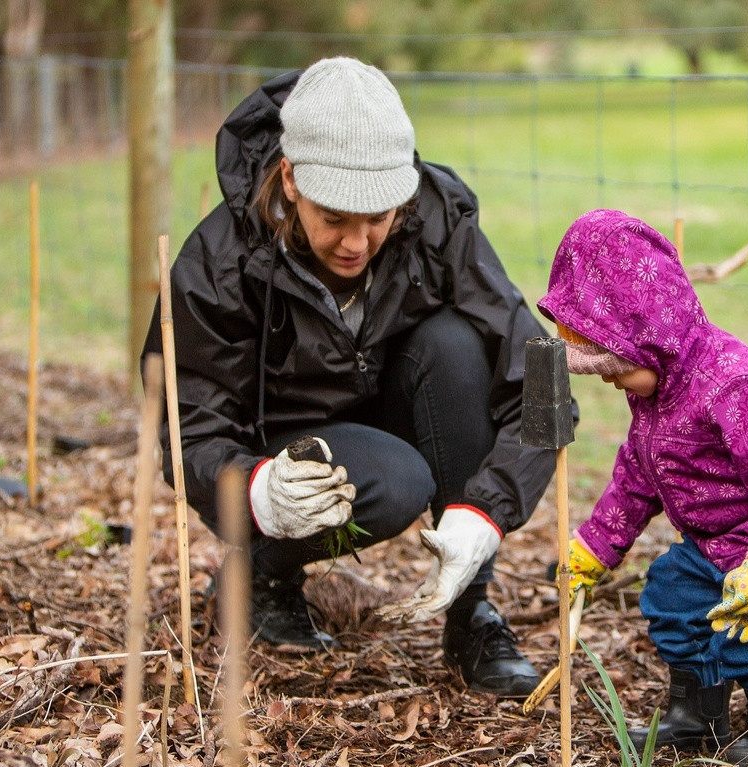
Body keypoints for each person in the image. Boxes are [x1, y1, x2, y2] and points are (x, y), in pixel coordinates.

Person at [140, 56, 565, 697]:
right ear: (290, 180)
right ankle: (262, 572)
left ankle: (469, 607)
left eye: (377, 217)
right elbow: (187, 429)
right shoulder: (218, 263)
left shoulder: (437, 217)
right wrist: (257, 492)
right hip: (287, 449)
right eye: (334, 217)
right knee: (396, 482)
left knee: (454, 343)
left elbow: (541, 374)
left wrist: (488, 509)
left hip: (392, 407)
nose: (357, 242)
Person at [538, 209, 748, 764]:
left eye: (616, 365)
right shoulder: (655, 396)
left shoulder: (734, 387)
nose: (611, 379)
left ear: (653, 339)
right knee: (672, 595)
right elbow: (638, 477)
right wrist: (593, 548)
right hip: (719, 541)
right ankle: (697, 715)